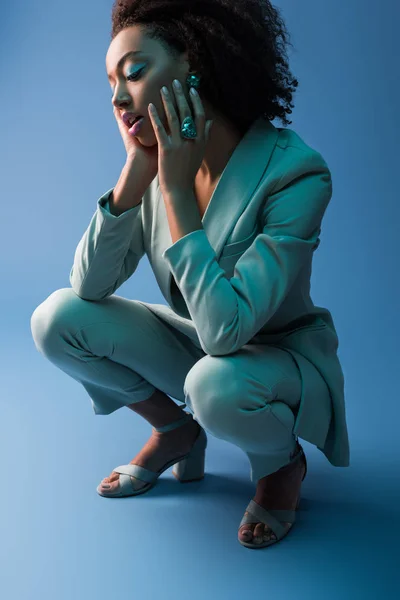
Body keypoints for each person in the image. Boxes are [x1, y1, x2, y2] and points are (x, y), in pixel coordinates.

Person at [30, 0, 350, 550]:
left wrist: (176, 192)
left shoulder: (294, 172)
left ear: (193, 62)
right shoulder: (156, 163)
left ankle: (280, 465)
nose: (117, 98)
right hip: (200, 341)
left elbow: (229, 332)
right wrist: (136, 172)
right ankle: (178, 431)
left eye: (134, 72)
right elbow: (89, 287)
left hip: (277, 358)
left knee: (213, 382)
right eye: (110, 82)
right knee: (56, 318)